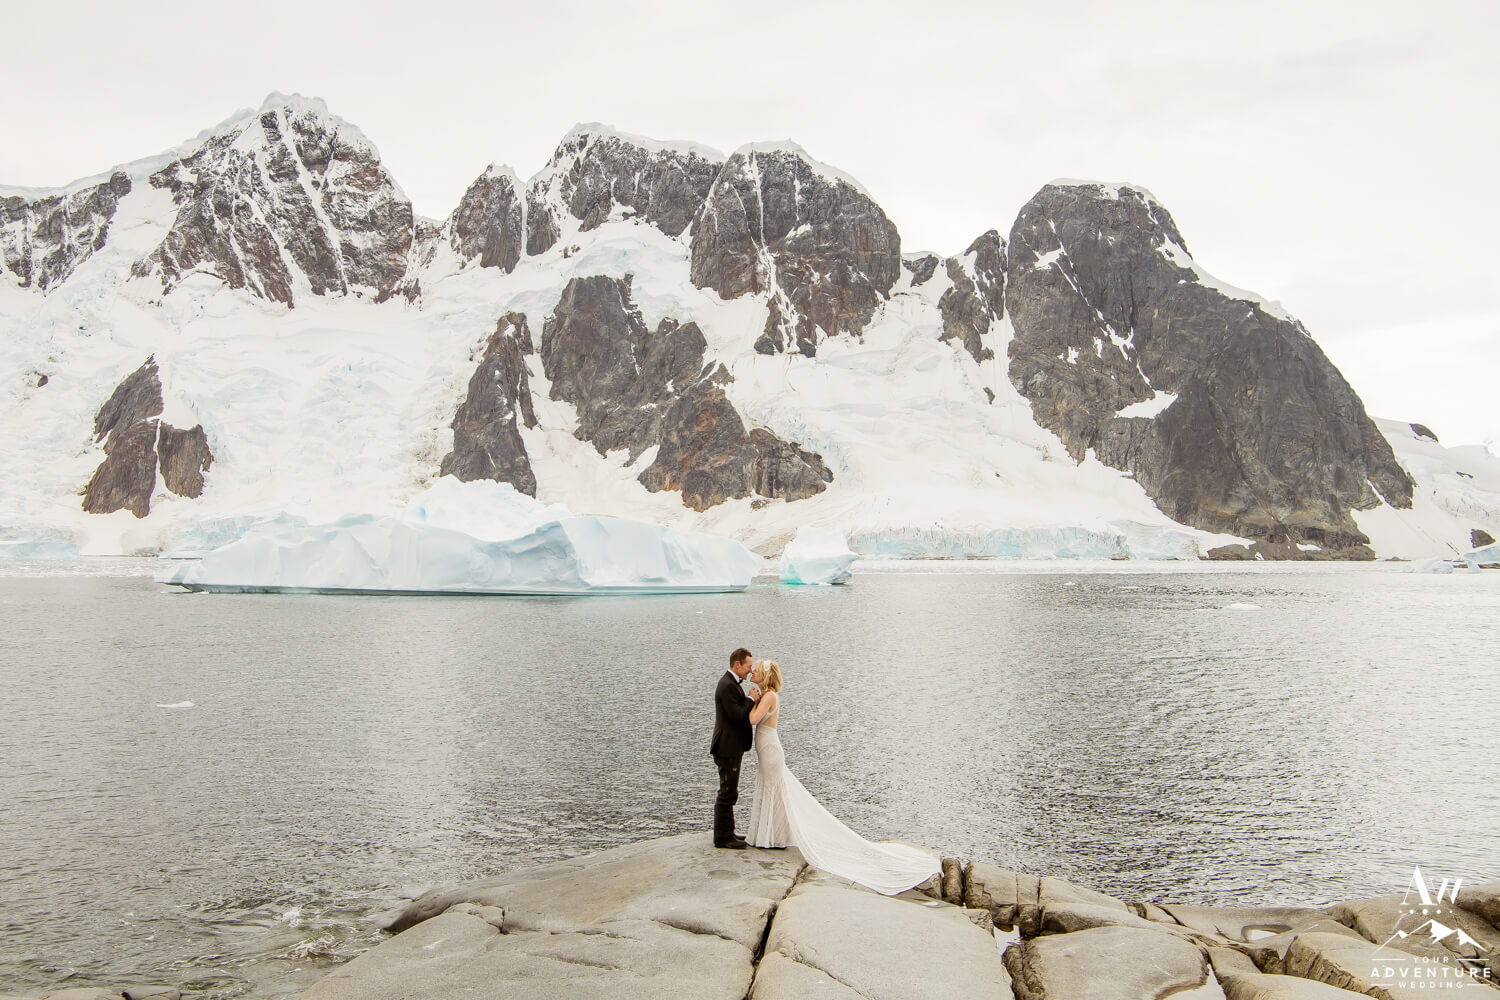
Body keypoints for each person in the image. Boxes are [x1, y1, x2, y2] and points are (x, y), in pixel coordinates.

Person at [744, 659, 940, 895]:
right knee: (771, 789)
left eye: (756, 670)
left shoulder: (768, 696)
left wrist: (751, 699)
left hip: (770, 749)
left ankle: (770, 837)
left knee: (773, 790)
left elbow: (752, 720)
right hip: (767, 747)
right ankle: (770, 836)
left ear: (764, 676)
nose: (752, 672)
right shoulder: (768, 695)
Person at [710, 647, 760, 849]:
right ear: (737, 664)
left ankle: (727, 832)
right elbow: (738, 716)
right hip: (727, 747)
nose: (750, 670)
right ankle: (723, 838)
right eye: (748, 666)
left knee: (730, 790)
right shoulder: (727, 685)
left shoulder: (730, 683)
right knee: (727, 792)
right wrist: (750, 699)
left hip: (730, 747)